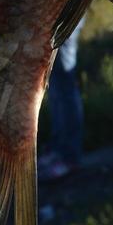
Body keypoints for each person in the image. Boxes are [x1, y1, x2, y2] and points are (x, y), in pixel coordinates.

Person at [39, 21, 83, 182]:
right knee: (55, 84)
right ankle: (58, 149)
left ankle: (69, 156)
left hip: (67, 15)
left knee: (64, 83)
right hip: (54, 15)